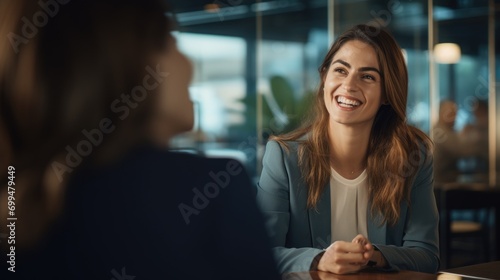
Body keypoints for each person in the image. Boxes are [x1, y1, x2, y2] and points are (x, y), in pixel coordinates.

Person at [0, 1, 279, 279]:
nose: (189, 63)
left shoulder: (18, 196)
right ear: (133, 59)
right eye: (170, 41)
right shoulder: (214, 185)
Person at [256, 24, 440, 275]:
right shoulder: (284, 157)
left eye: (367, 76)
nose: (349, 85)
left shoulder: (413, 157)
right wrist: (320, 259)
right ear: (324, 79)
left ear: (387, 93)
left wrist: (373, 255)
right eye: (341, 70)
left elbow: (426, 255)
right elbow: (261, 253)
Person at [433, 100, 480, 183]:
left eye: (455, 114)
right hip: (441, 182)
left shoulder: (445, 130)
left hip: (444, 180)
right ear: (441, 114)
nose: (454, 117)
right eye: (450, 114)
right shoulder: (440, 132)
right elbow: (462, 151)